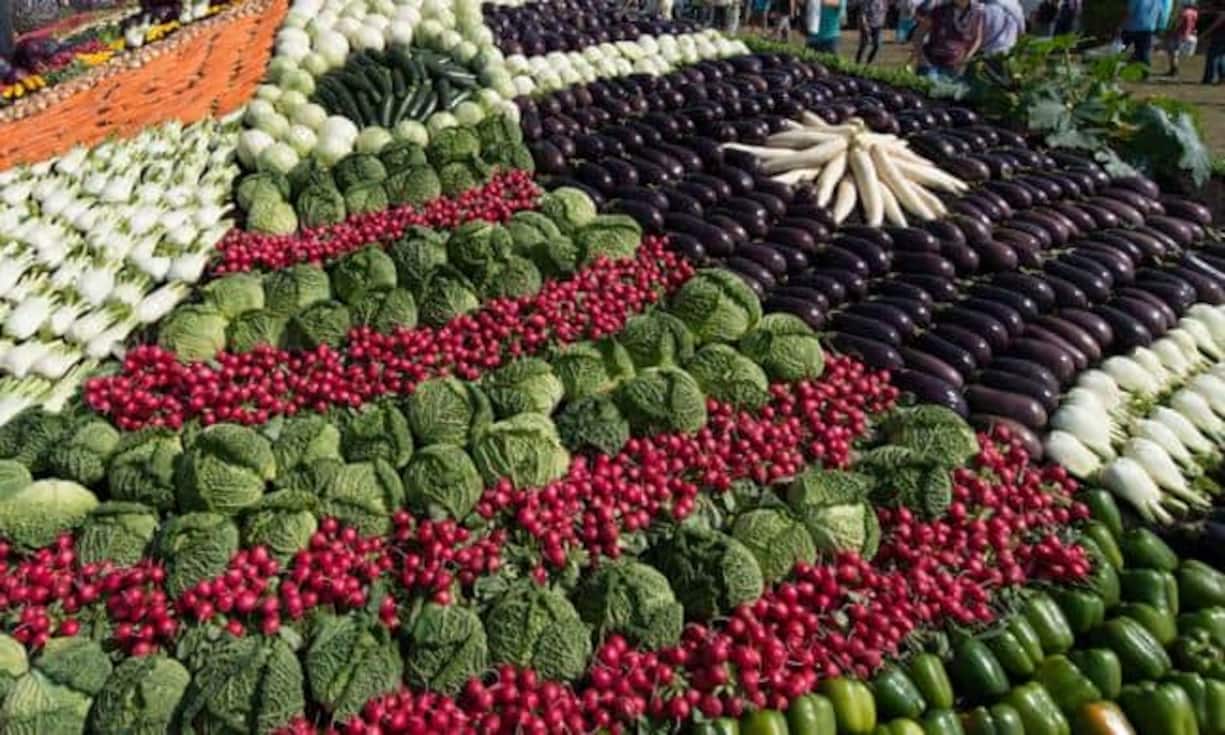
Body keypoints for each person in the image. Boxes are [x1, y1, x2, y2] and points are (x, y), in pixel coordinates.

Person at [911, 0, 986, 79]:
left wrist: (966, 59)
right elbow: (918, 34)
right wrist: (921, 57)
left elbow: (977, 38)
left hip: (955, 66)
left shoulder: (977, 12)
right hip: (931, 64)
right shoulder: (939, 10)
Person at [1121, 0, 1166, 65]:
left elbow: (1129, 11)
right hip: (1148, 28)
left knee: (1122, 47)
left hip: (1131, 27)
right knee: (1144, 52)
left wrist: (1121, 24)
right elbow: (1161, 13)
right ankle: (1144, 70)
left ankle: (1118, 65)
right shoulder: (1158, 1)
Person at [1163, 0, 1197, 75]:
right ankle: (1174, 69)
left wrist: (1170, 31)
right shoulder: (1195, 13)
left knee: (1173, 52)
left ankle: (1174, 69)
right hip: (1188, 34)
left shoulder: (1184, 13)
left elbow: (1178, 24)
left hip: (1179, 34)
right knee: (1175, 52)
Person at [1203, 1, 1225, 83]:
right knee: (1221, 58)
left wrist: (1205, 34)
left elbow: (1214, 26)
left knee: (1213, 58)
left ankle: (1210, 78)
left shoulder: (1222, 14)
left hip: (1219, 38)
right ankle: (1222, 77)